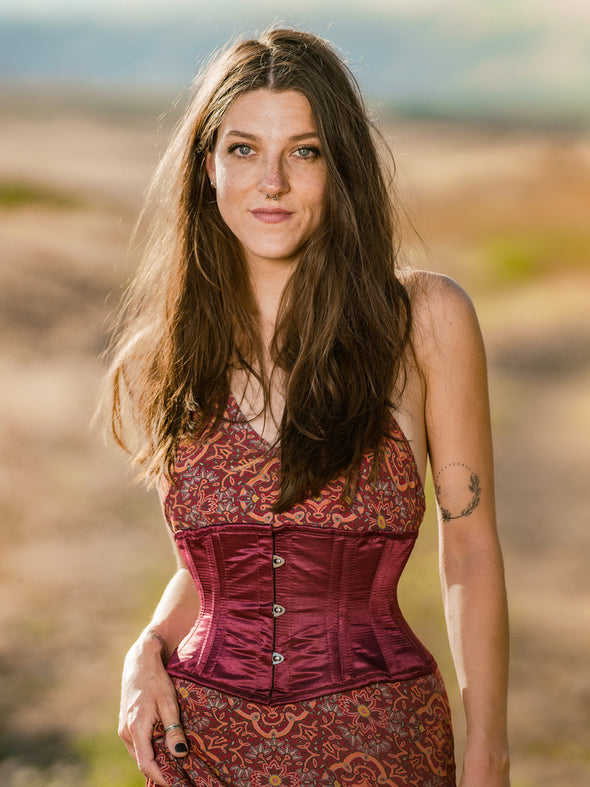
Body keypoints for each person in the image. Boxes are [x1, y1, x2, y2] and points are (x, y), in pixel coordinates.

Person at [103, 27, 510, 787]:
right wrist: (148, 648)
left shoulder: (423, 320)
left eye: (306, 150)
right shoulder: (164, 356)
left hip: (385, 750)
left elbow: (471, 550)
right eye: (244, 149)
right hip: (205, 752)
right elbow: (221, 565)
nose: (273, 182)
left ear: (341, 166)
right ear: (207, 170)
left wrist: (488, 752)